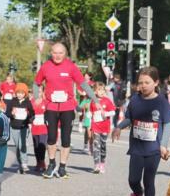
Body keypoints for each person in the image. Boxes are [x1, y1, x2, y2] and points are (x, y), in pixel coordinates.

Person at [112, 67, 170, 196]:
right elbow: (129, 118)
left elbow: (167, 124)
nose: (143, 85)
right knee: (133, 179)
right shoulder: (135, 100)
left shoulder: (161, 102)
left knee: (149, 179)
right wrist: (118, 127)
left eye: (147, 82)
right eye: (141, 83)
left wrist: (164, 145)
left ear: (156, 83)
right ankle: (137, 193)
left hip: (154, 147)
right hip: (137, 147)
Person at [35, 42, 96, 178]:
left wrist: (95, 100)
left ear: (65, 53)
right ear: (51, 53)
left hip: (67, 107)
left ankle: (62, 167)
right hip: (51, 106)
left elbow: (83, 84)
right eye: (55, 53)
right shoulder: (46, 66)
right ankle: (51, 164)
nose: (57, 55)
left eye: (60, 53)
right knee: (51, 137)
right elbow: (36, 83)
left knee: (66, 139)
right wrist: (36, 97)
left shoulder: (71, 67)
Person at [6, 82, 34, 174]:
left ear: (25, 94)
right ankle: (20, 164)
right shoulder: (12, 102)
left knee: (22, 145)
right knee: (18, 146)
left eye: (22, 93)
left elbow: (32, 114)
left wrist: (29, 117)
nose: (20, 95)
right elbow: (7, 113)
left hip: (24, 127)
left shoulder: (28, 102)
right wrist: (12, 114)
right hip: (14, 127)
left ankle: (25, 163)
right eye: (18, 92)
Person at [89, 81, 115, 174]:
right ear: (95, 91)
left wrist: (106, 113)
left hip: (105, 127)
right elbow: (91, 112)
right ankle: (96, 165)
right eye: (99, 90)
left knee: (103, 146)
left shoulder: (107, 101)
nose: (102, 91)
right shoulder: (93, 101)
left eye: (103, 89)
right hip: (95, 126)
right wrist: (88, 115)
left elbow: (113, 112)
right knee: (96, 145)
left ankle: (102, 163)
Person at [31, 90, 48, 174]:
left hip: (43, 127)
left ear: (42, 93)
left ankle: (43, 162)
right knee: (36, 146)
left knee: (42, 145)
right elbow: (28, 112)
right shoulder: (32, 102)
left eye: (40, 91)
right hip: (34, 126)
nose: (38, 93)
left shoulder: (46, 102)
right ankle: (38, 162)